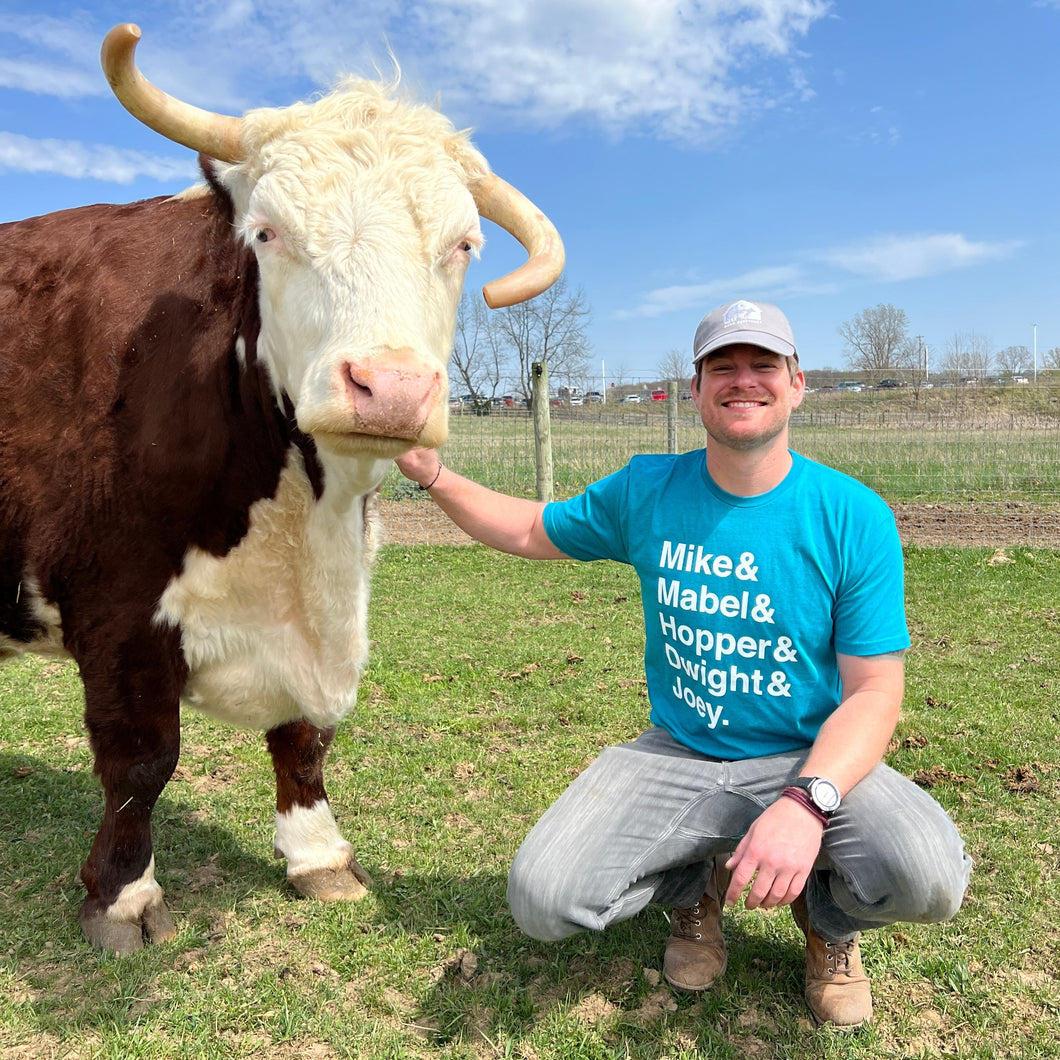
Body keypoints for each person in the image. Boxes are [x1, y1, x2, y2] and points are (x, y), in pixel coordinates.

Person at [396, 299, 971, 1028]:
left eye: (764, 365)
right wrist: (434, 473)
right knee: (543, 898)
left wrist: (807, 802)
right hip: (679, 752)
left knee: (927, 872)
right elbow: (531, 529)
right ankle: (692, 889)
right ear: (695, 391)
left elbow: (873, 692)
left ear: (797, 385)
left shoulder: (852, 515)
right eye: (721, 367)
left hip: (808, 754)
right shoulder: (647, 490)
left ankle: (828, 920)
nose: (743, 381)